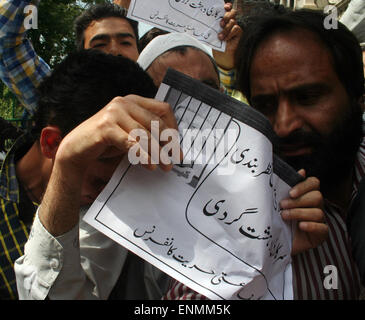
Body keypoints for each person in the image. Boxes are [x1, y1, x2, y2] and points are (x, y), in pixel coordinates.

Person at [165, 9, 365, 300]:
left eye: (307, 97)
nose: (284, 126)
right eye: (266, 105)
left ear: (357, 97)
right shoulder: (231, 213)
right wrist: (257, 261)